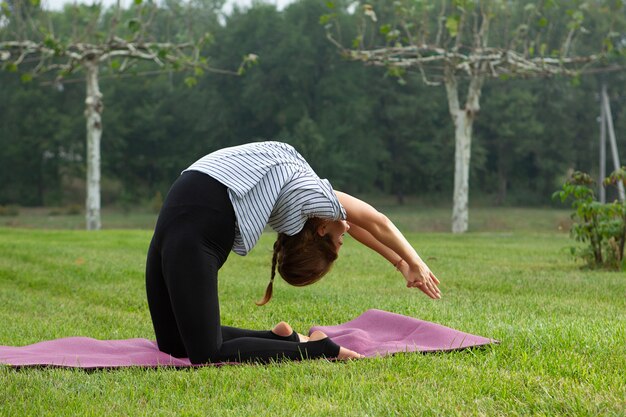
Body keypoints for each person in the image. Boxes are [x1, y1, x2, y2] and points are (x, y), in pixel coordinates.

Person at [145, 141, 440, 365]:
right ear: (323, 229)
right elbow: (375, 221)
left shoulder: (308, 198)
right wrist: (414, 263)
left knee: (182, 345)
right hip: (194, 217)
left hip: (187, 212)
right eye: (341, 241)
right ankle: (320, 349)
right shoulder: (309, 194)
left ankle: (279, 339)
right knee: (199, 351)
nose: (347, 232)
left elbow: (361, 224)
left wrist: (401, 262)